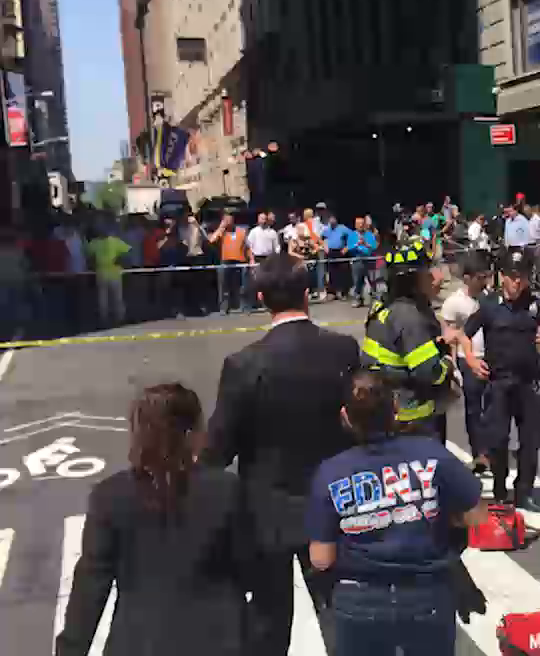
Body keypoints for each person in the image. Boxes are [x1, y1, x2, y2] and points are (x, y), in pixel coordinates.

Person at [203, 254, 362, 655]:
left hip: (265, 509)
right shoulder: (342, 350)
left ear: (260, 298)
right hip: (333, 503)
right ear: (307, 295)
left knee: (268, 620)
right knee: (337, 610)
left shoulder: (243, 364)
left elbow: (219, 447)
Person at [56, 383, 254, 656]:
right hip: (218, 640)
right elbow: (251, 568)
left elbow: (90, 585)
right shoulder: (226, 489)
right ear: (191, 434)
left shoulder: (110, 496)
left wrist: (70, 649)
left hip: (139, 643)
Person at [306, 370, 487, 656]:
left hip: (358, 600)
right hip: (428, 594)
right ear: (396, 410)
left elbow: (321, 557)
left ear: (345, 417)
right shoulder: (431, 453)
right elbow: (476, 515)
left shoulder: (330, 472)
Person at [460, 248, 540, 512]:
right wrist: (470, 360)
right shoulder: (489, 305)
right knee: (498, 440)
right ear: (502, 276)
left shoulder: (534, 304)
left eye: (523, 277)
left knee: (530, 439)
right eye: (513, 276)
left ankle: (524, 492)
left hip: (527, 383)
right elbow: (465, 334)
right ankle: (501, 491)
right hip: (499, 383)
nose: (518, 282)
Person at [362, 240, 458, 442]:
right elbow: (428, 372)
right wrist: (448, 361)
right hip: (414, 421)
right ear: (414, 279)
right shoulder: (409, 316)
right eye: (427, 272)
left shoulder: (382, 306)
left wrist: (435, 345)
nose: (432, 276)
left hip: (388, 411)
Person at [441, 252, 493, 468]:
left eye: (486, 277)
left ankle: (492, 449)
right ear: (467, 278)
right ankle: (479, 452)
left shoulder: (491, 299)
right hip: (467, 360)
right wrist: (454, 366)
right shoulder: (454, 303)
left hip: (492, 358)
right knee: (473, 409)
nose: (484, 282)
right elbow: (450, 337)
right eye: (480, 277)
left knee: (494, 408)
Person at [86, 225, 130, 327]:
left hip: (106, 273)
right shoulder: (114, 241)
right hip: (109, 274)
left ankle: (110, 319)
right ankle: (114, 319)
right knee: (110, 299)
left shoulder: (95, 243)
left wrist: (94, 264)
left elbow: (89, 258)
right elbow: (127, 253)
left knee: (107, 299)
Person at [211, 213, 248, 314]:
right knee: (223, 285)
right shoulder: (222, 232)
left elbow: (247, 247)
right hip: (225, 261)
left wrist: (250, 258)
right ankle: (223, 307)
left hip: (240, 261)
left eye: (230, 219)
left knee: (240, 285)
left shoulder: (241, 231)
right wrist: (221, 227)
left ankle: (241, 306)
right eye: (226, 219)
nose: (228, 221)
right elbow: (211, 240)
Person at [347, 216, 380, 308]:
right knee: (357, 281)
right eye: (358, 224)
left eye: (362, 223)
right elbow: (349, 248)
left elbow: (374, 247)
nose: (361, 225)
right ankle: (358, 299)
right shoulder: (352, 235)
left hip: (368, 260)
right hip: (357, 260)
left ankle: (375, 300)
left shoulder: (369, 235)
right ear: (355, 225)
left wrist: (366, 244)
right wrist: (357, 244)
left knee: (372, 281)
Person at [324, 214, 352, 299]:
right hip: (331, 252)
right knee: (332, 273)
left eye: (333, 219)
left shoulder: (343, 228)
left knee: (343, 273)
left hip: (341, 252)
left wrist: (347, 248)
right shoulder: (327, 229)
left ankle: (343, 293)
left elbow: (353, 237)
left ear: (336, 220)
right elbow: (322, 239)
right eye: (330, 219)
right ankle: (333, 293)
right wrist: (325, 247)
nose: (331, 220)